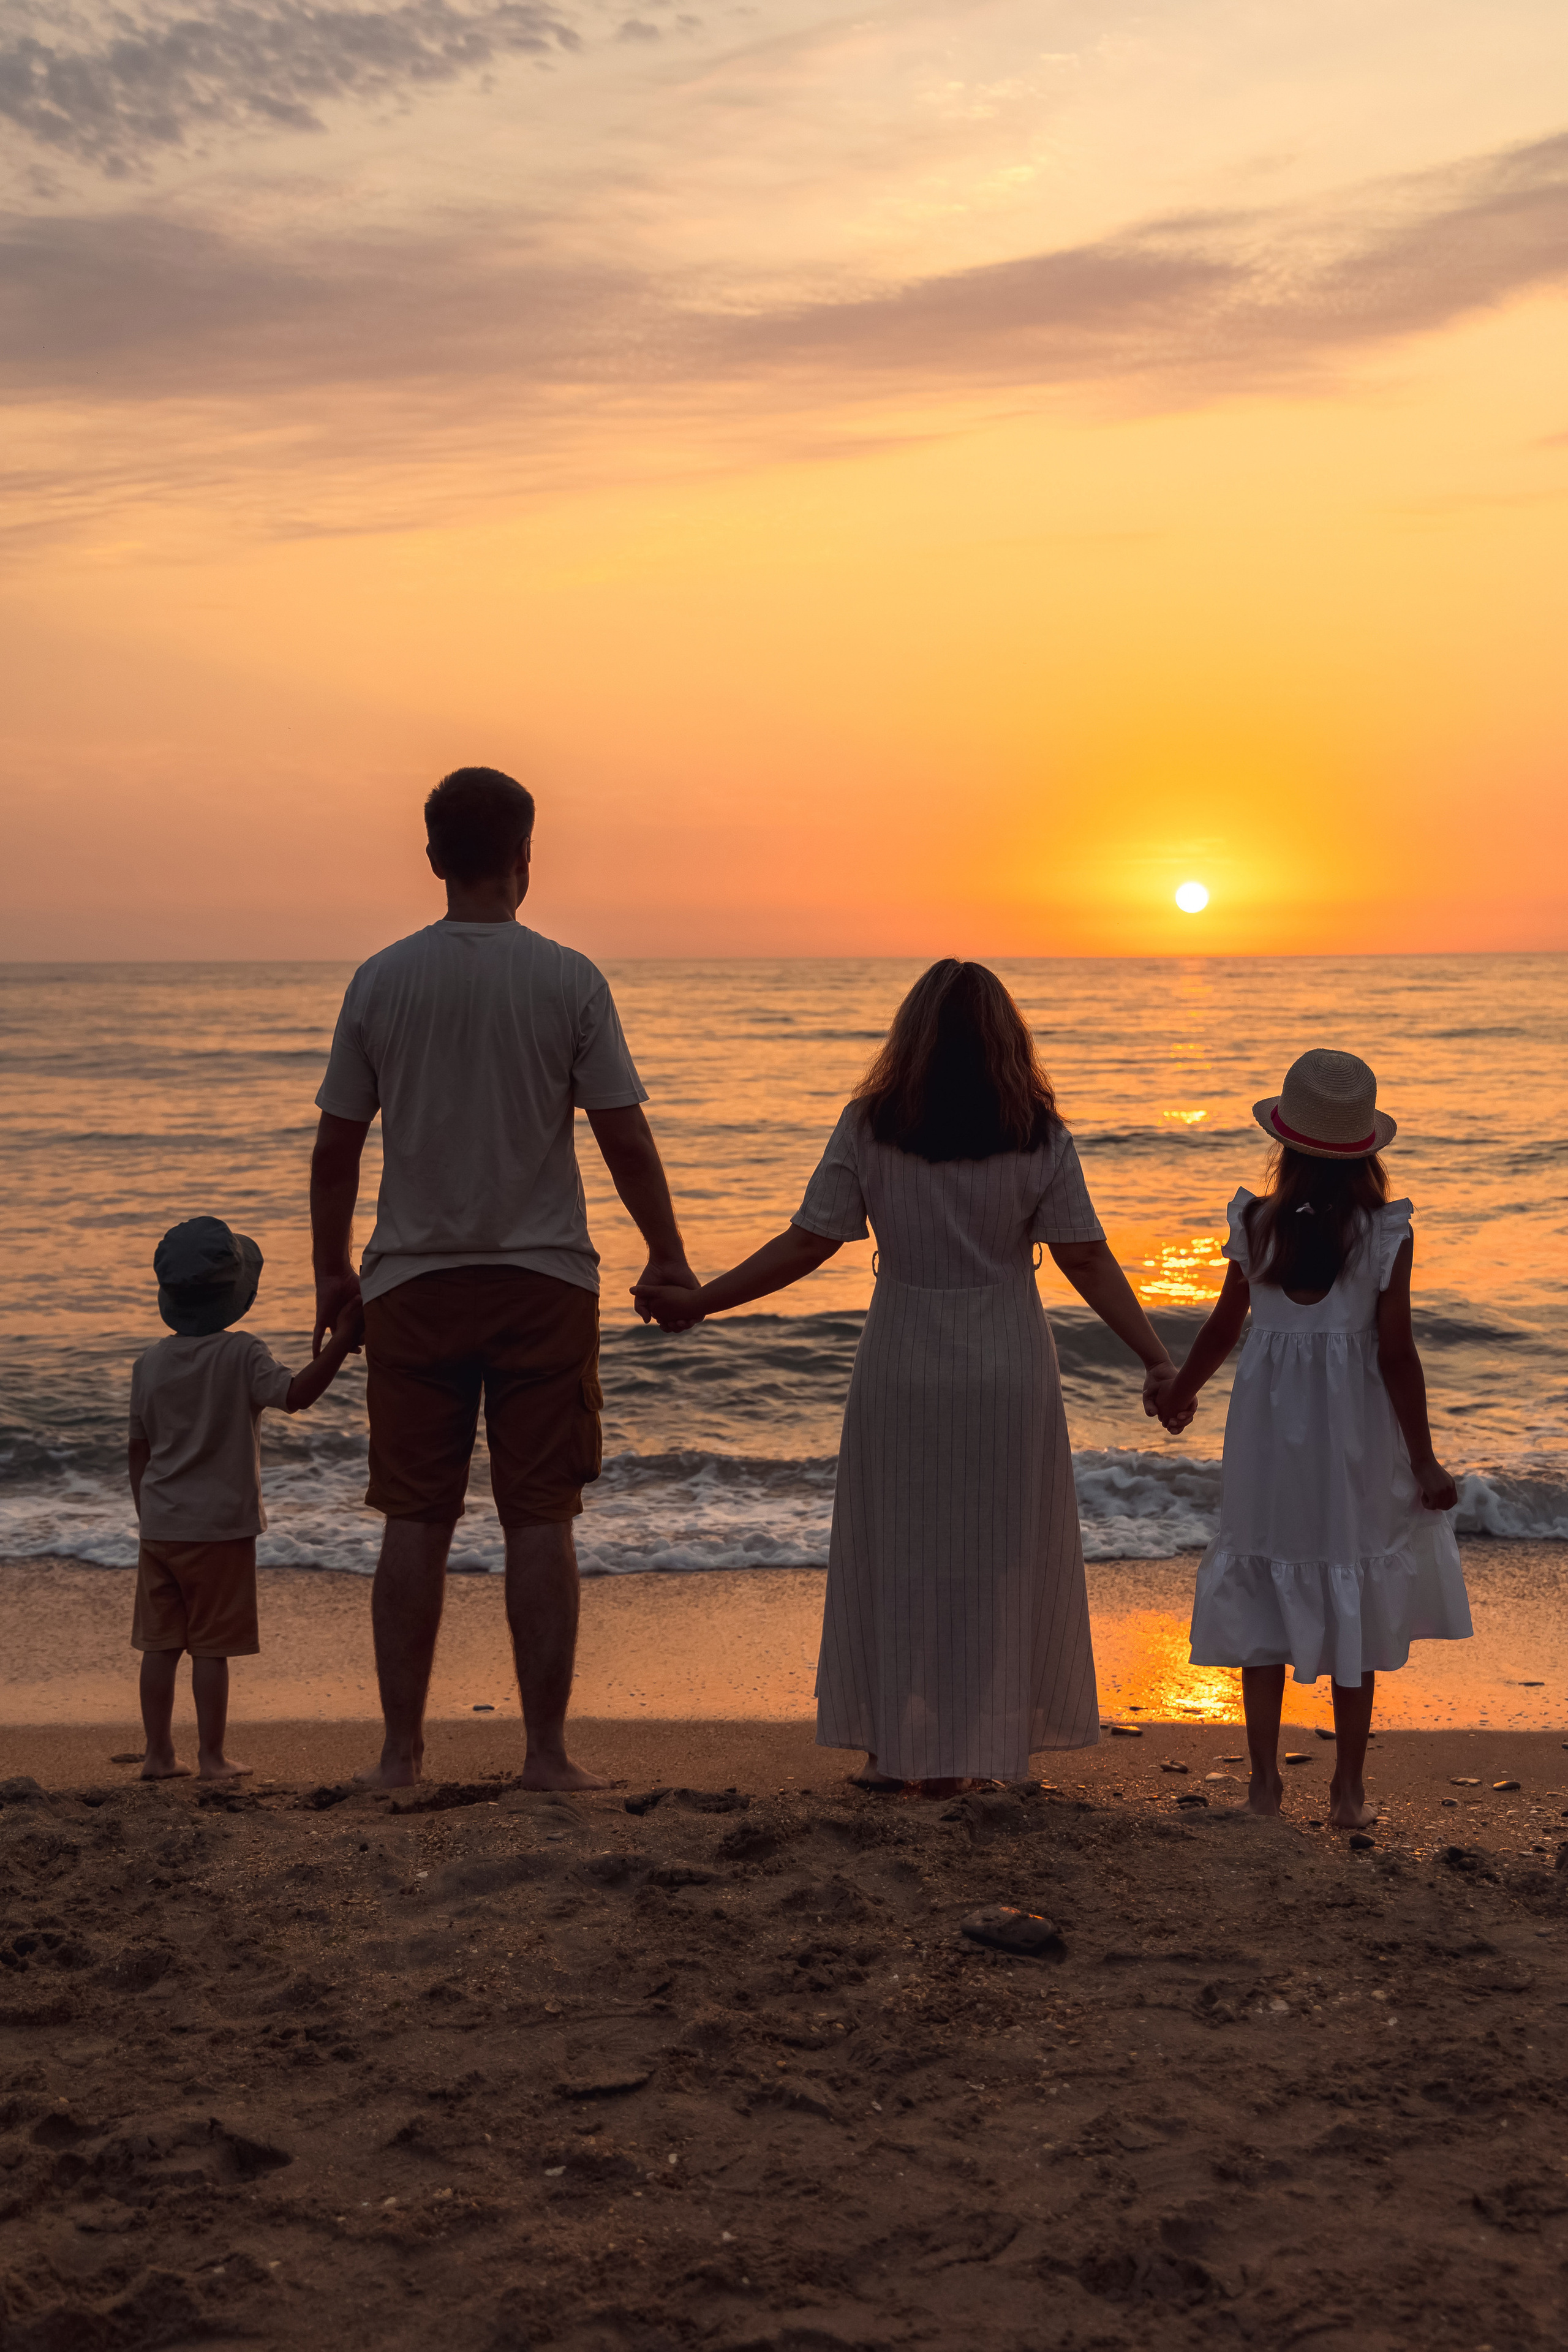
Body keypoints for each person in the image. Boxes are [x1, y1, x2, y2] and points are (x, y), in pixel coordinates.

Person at [636, 959, 1179, 1795]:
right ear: (1009, 1042)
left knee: (900, 1553)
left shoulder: (871, 1126)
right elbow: (1086, 1258)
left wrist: (704, 1301)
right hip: (1006, 1364)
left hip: (903, 1362)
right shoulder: (1038, 1134)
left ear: (910, 1039)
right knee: (995, 1559)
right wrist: (1153, 1355)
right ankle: (968, 1753)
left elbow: (808, 1242)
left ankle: (893, 1752)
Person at [310, 765, 696, 1791]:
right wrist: (667, 1252)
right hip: (542, 1283)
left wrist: (330, 1273)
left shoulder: (382, 980)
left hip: (411, 1287)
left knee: (414, 1519)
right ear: (526, 858)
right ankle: (544, 1755)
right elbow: (624, 1137)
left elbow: (337, 1151)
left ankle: (400, 1755)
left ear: (435, 858)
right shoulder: (568, 979)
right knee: (540, 1522)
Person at [1155, 1048, 1470, 1828]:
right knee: (1350, 1586)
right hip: (1352, 1441)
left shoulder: (1255, 1223)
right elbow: (1395, 1355)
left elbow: (1225, 1327)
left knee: (1262, 1585)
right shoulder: (1382, 1233)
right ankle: (1348, 1792)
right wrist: (1423, 1458)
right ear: (1366, 1152)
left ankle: (1264, 1785)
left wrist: (1180, 1392)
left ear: (1284, 1143)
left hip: (1266, 1438)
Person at [128, 1215, 363, 1781]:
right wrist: (341, 1344)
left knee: (160, 1646)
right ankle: (211, 1757)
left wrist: (149, 1508)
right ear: (236, 1297)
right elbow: (295, 1395)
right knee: (211, 1647)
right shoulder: (242, 1355)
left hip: (160, 1525)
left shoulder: (150, 1362)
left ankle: (158, 1755)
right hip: (221, 1529)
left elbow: (139, 1449)